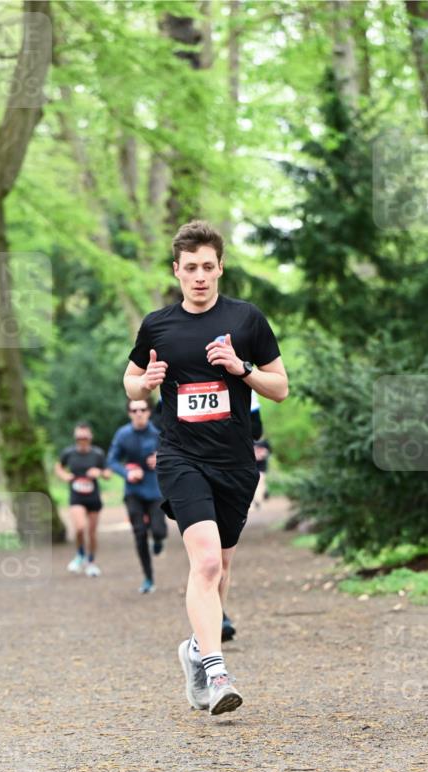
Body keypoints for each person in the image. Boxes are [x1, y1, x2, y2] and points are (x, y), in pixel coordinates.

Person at [124, 219, 289, 715]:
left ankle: (195, 648)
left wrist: (241, 368)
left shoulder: (246, 320)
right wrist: (146, 382)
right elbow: (130, 382)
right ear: (177, 270)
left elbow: (280, 387)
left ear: (220, 269)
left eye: (208, 267)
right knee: (207, 562)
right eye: (190, 267)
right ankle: (217, 672)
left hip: (235, 463)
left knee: (222, 570)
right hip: (181, 457)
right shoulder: (158, 326)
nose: (200, 276)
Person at [107, 400, 167, 594]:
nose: (138, 413)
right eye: (134, 410)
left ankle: (158, 540)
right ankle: (148, 577)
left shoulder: (159, 433)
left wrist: (161, 458)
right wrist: (127, 473)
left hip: (156, 490)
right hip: (133, 491)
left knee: (158, 530)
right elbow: (112, 461)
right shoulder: (123, 435)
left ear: (149, 412)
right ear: (129, 413)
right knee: (139, 533)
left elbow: (176, 453)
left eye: (142, 409)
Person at [55, 423, 111, 577]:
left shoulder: (97, 454)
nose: (82, 440)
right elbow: (58, 467)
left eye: (85, 437)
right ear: (75, 438)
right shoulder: (69, 453)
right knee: (80, 528)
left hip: (93, 498)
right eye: (79, 437)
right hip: (76, 496)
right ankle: (80, 555)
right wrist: (64, 476)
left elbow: (108, 473)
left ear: (90, 437)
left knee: (92, 533)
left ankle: (91, 562)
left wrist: (99, 472)